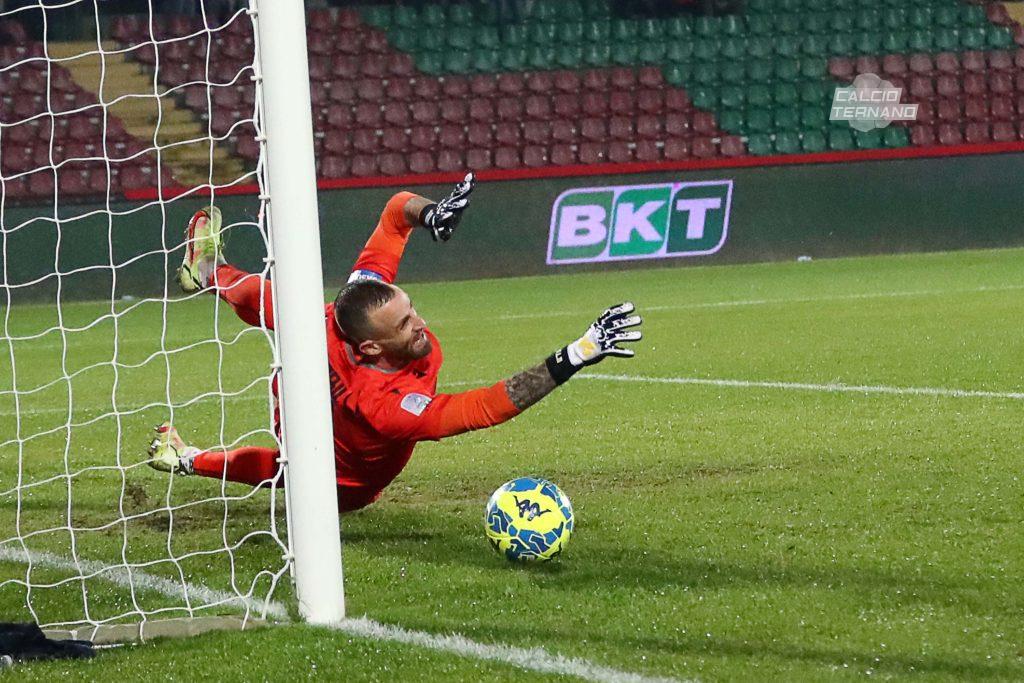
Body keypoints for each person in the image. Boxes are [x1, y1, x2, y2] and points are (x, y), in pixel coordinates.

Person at [146, 174, 643, 512]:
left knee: (277, 312)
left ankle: (207, 280)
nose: (420, 324)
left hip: (343, 459)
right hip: (325, 433)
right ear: (371, 349)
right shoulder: (385, 403)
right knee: (288, 459)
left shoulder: (366, 308)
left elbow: (393, 212)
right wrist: (576, 353)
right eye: (405, 325)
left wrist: (431, 214)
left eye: (412, 309)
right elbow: (489, 405)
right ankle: (186, 454)